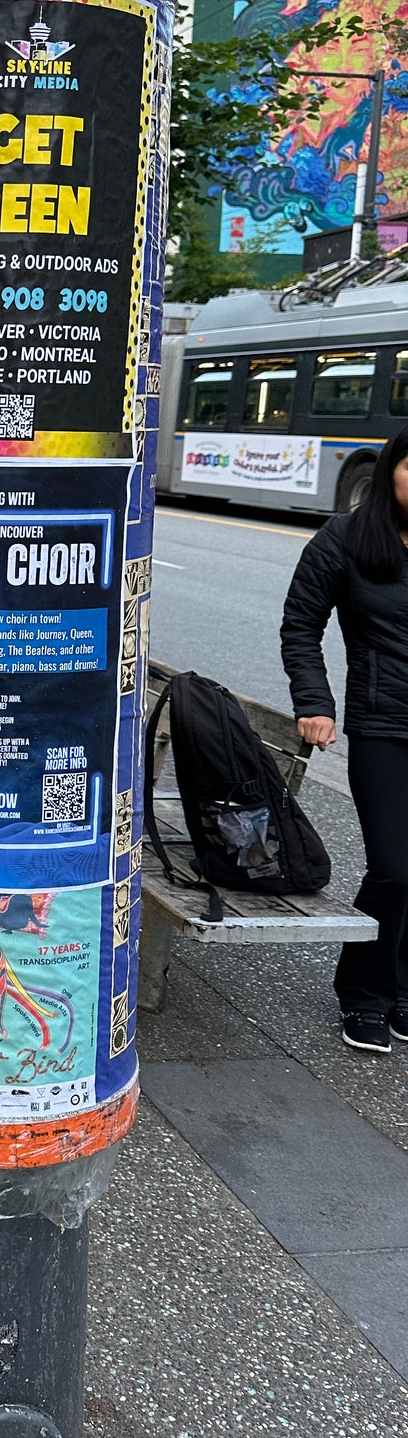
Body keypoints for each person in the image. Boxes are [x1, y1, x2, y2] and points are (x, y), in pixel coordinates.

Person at [281, 425, 408, 1054]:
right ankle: (363, 994)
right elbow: (302, 622)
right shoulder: (349, 537)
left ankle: (401, 990)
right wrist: (315, 703)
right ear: (392, 470)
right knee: (394, 867)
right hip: (386, 725)